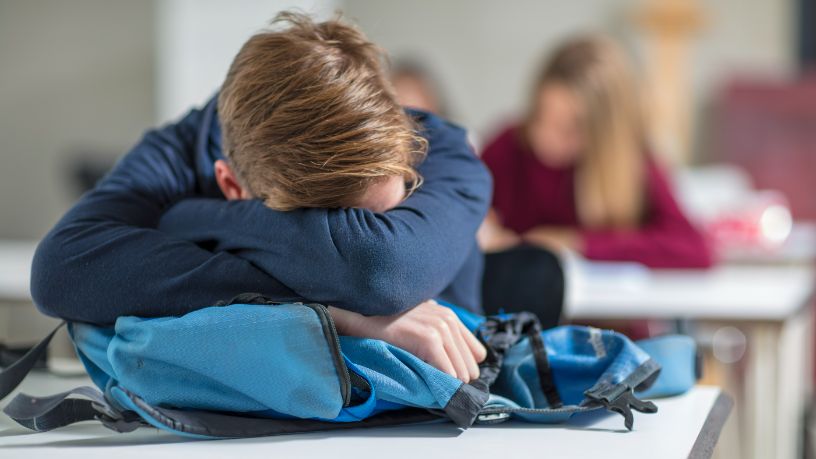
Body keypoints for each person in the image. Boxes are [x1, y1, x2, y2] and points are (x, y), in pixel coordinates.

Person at [31, 12, 489, 382]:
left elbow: (380, 269)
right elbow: (59, 271)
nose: (355, 237)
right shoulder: (177, 152)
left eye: (389, 215)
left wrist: (192, 219)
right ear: (233, 186)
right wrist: (333, 313)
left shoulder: (438, 147)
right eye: (324, 227)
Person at [479, 35, 712, 268]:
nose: (546, 138)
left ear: (606, 134)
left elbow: (693, 248)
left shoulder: (632, 163)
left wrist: (577, 243)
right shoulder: (507, 146)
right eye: (541, 116)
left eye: (569, 128)